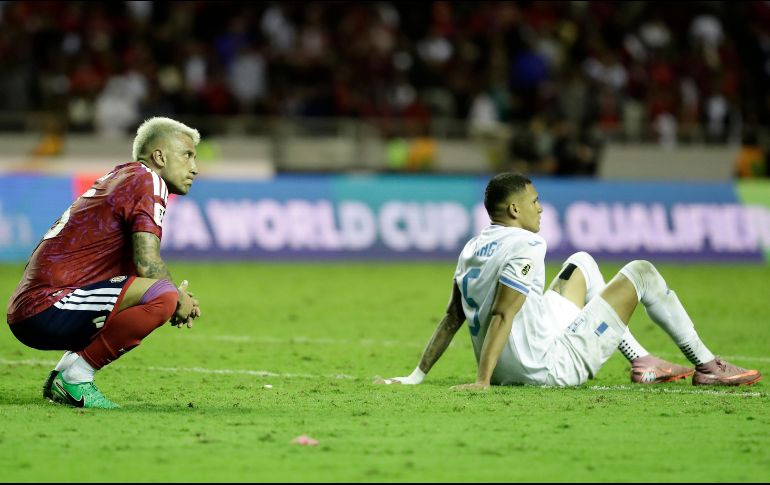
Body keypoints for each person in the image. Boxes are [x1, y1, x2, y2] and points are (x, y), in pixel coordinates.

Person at [377, 173, 762, 389]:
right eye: (534, 201)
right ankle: (708, 366)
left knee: (581, 263)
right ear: (514, 209)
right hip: (547, 368)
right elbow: (502, 315)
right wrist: (481, 382)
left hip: (511, 364)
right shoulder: (527, 244)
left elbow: (451, 318)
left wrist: (416, 375)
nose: (540, 208)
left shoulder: (471, 248)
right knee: (641, 272)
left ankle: (642, 360)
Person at [6, 117, 202, 408]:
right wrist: (178, 299)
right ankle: (76, 378)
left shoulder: (123, 177)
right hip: (49, 306)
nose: (194, 167)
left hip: (33, 308)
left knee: (150, 288)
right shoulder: (148, 180)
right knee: (162, 295)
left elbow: (135, 269)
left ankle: (63, 373)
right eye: (187, 155)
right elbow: (148, 263)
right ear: (159, 156)